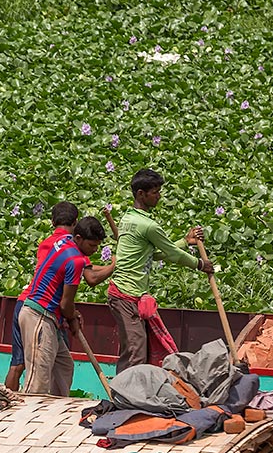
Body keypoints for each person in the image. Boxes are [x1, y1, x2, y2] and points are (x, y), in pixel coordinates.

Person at [109, 168, 214, 373]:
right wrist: (200, 264)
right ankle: (124, 399)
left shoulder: (128, 219)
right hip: (126, 294)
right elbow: (172, 254)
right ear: (141, 194)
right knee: (136, 352)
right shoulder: (148, 225)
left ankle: (126, 395)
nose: (159, 196)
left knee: (135, 351)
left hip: (126, 294)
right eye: (155, 192)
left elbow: (155, 254)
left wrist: (185, 241)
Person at [18, 214, 116, 396]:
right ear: (79, 238)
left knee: (64, 365)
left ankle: (55, 407)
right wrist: (72, 317)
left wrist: (72, 314)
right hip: (39, 315)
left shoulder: (65, 241)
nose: (95, 250)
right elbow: (65, 304)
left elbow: (66, 303)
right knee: (37, 382)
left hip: (50, 317)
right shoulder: (75, 260)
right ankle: (30, 417)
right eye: (92, 245)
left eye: (97, 246)